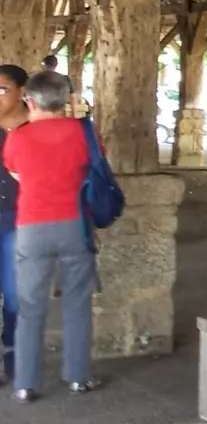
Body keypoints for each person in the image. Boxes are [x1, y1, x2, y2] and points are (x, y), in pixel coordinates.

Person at [2, 70, 97, 404]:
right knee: (77, 302)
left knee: (30, 306)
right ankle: (78, 378)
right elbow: (93, 169)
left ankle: (26, 384)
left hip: (32, 227)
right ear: (66, 100)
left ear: (30, 101)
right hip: (75, 225)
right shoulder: (84, 133)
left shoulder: (18, 138)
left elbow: (16, 173)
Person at [0, 65, 28, 384]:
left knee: (14, 293)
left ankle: (13, 355)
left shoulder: (35, 128)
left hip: (20, 220)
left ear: (22, 92)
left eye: (2, 90)